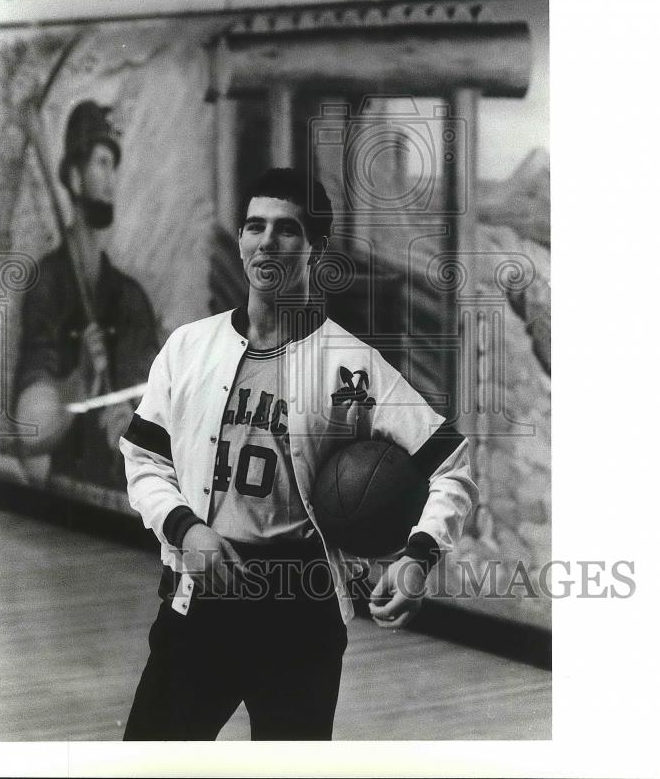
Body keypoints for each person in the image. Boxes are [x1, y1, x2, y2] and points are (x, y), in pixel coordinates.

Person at [119, 168, 477, 741]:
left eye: (287, 230)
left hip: (300, 613)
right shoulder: (189, 347)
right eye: (255, 226)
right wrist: (187, 530)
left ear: (316, 248)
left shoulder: (350, 365)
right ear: (240, 238)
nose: (268, 242)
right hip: (202, 596)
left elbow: (450, 462)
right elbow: (144, 461)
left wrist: (418, 556)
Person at [14, 100, 158, 491]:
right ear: (75, 179)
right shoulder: (48, 286)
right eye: (101, 164)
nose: (112, 181)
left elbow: (160, 409)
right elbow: (30, 433)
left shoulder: (131, 300)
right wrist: (79, 385)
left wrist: (130, 421)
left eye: (115, 166)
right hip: (68, 505)